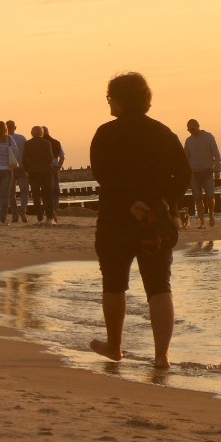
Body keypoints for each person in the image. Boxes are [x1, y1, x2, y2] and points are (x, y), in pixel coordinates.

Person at [89, 72, 191, 368]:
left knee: (114, 284)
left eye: (110, 97)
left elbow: (103, 175)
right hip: (156, 220)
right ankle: (161, 356)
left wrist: (130, 203)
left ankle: (115, 347)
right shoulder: (163, 133)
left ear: (120, 99)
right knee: (159, 286)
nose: (108, 102)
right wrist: (163, 200)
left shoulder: (105, 133)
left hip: (115, 219)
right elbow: (183, 175)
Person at [184, 118, 221, 228]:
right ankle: (202, 222)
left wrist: (217, 170)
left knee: (210, 196)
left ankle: (211, 214)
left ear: (198, 126)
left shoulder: (208, 137)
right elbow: (185, 158)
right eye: (189, 130)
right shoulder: (188, 141)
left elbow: (217, 154)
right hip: (194, 173)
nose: (191, 131)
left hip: (207, 171)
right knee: (197, 198)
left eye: (193, 129)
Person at [22, 126, 55, 225]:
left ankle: (40, 219)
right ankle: (50, 218)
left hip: (33, 172)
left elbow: (24, 160)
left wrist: (28, 169)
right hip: (46, 172)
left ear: (32, 133)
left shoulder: (27, 144)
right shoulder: (46, 143)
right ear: (42, 133)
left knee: (36, 196)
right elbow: (50, 158)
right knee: (48, 195)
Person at [6, 120, 28, 223]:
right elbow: (27, 153)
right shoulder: (22, 138)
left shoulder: (2, 139)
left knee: (11, 192)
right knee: (24, 190)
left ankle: (15, 216)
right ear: (15, 127)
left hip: (8, 168)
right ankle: (23, 208)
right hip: (21, 167)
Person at [42, 127, 65, 220]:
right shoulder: (56, 142)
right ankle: (54, 207)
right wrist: (59, 166)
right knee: (55, 189)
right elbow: (62, 157)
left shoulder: (41, 143)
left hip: (44, 168)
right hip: (55, 167)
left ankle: (49, 209)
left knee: (46, 189)